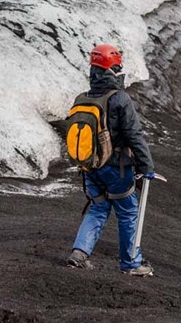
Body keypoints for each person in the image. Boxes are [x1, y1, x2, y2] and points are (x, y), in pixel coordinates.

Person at [67, 43, 156, 276]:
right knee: (127, 213)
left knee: (97, 209)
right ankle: (131, 263)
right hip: (117, 167)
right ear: (113, 68)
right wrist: (147, 167)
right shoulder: (119, 98)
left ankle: (79, 253)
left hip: (89, 166)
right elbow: (133, 135)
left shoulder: (82, 98)